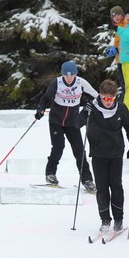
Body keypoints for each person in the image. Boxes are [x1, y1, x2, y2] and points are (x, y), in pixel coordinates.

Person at [78, 79, 129, 232]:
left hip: (116, 153)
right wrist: (84, 111)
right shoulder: (92, 108)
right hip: (98, 154)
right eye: (105, 98)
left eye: (111, 98)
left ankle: (118, 218)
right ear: (100, 95)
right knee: (102, 188)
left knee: (116, 187)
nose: (109, 102)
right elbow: (76, 124)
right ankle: (105, 220)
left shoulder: (121, 109)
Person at [34, 61, 98, 193]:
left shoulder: (81, 83)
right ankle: (50, 173)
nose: (69, 78)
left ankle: (87, 180)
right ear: (62, 74)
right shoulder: (56, 83)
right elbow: (46, 98)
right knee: (58, 147)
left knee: (79, 151)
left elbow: (97, 97)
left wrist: (90, 106)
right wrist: (40, 108)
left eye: (72, 75)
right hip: (56, 121)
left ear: (76, 74)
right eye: (66, 75)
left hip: (73, 122)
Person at [105, 6, 126, 102]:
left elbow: (126, 42)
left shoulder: (125, 25)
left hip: (125, 59)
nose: (116, 17)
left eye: (118, 14)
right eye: (114, 16)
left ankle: (125, 102)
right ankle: (124, 101)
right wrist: (113, 49)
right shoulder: (118, 27)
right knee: (122, 83)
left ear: (122, 15)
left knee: (126, 83)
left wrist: (117, 49)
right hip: (120, 59)